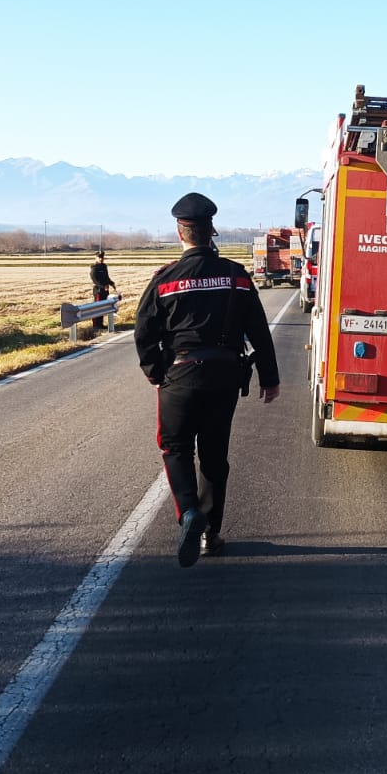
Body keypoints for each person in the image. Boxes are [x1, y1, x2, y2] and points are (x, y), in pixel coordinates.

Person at [135, 192, 279, 567]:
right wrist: (270, 377)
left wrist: (155, 372)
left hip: (179, 375)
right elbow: (259, 331)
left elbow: (144, 332)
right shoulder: (237, 276)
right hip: (225, 377)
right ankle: (210, 534)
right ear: (211, 230)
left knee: (176, 448)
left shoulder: (164, 279)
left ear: (180, 233)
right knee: (214, 457)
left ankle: (188, 512)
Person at [89, 250, 115, 332]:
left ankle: (100, 324)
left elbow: (106, 277)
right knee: (98, 307)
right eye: (99, 258)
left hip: (105, 290)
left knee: (103, 308)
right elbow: (95, 280)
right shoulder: (94, 268)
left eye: (102, 258)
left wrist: (111, 283)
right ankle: (96, 325)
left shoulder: (104, 266)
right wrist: (103, 286)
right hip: (98, 291)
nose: (101, 259)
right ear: (96, 258)